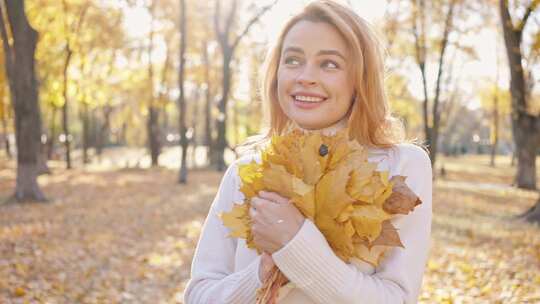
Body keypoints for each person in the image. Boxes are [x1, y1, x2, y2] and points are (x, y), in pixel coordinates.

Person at [183, 1, 432, 303]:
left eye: (329, 64)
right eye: (292, 60)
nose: (305, 76)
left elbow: (397, 299)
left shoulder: (401, 166)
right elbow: (199, 295)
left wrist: (297, 246)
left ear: (359, 79)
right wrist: (261, 275)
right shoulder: (245, 172)